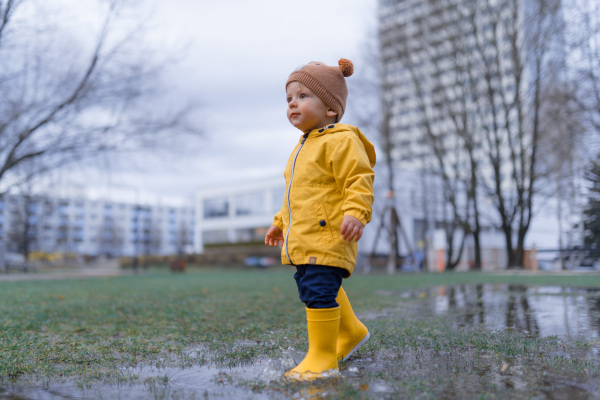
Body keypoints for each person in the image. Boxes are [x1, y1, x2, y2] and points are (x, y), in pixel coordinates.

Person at [265, 58, 376, 381]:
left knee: (318, 289)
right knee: (312, 283)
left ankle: (323, 357)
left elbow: (358, 179)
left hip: (330, 234)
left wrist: (356, 212)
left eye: (302, 96)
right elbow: (295, 196)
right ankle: (352, 332)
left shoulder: (341, 140)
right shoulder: (301, 148)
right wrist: (280, 223)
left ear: (330, 108)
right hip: (305, 237)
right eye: (289, 99)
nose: (293, 104)